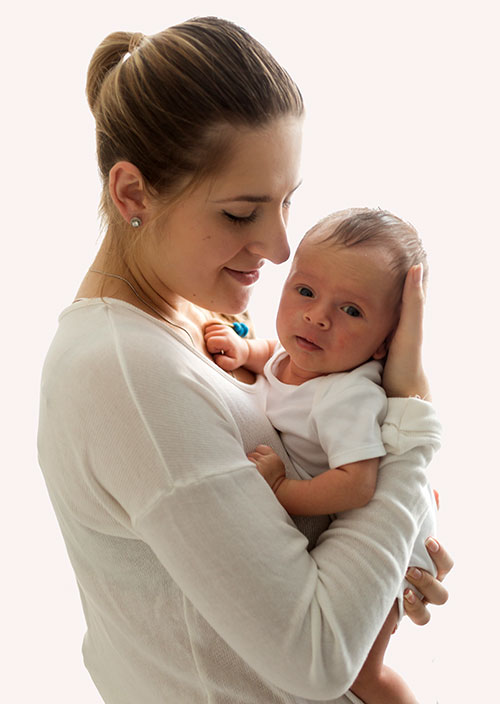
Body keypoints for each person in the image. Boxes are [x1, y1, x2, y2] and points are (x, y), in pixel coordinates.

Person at [37, 17, 453, 704]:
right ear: (133, 194)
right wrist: (410, 425)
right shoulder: (125, 373)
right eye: (240, 213)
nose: (282, 245)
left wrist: (389, 561)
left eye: (287, 199)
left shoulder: (197, 318)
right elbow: (316, 660)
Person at [204, 207, 439, 703]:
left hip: (397, 548)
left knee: (363, 674)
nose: (317, 317)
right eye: (305, 291)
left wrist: (282, 491)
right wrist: (247, 352)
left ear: (384, 344)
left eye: (351, 311)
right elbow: (274, 353)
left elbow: (357, 484)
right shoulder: (300, 356)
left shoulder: (343, 397)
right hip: (371, 525)